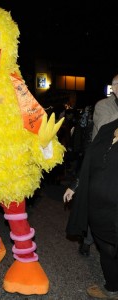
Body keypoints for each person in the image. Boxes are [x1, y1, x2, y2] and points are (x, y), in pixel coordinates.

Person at [63, 74, 118, 257]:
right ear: (114, 88)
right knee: (95, 203)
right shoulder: (104, 106)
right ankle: (87, 240)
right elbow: (105, 128)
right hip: (100, 161)